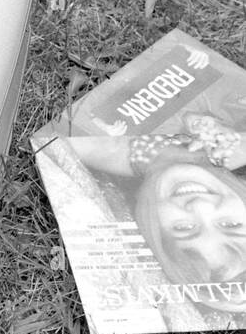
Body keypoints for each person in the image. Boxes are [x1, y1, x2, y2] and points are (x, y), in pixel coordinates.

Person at [70, 111, 246, 314]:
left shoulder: (130, 157)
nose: (200, 207)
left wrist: (100, 128)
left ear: (150, 226)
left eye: (184, 227)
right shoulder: (229, 150)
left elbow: (66, 134)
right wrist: (217, 126)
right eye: (231, 225)